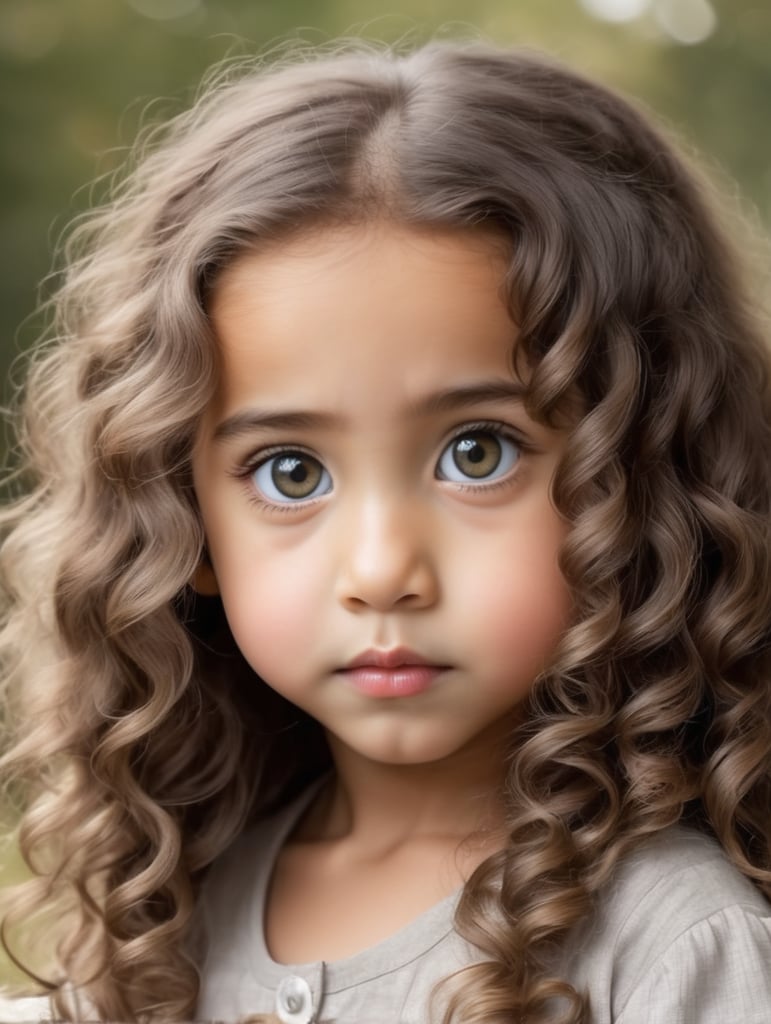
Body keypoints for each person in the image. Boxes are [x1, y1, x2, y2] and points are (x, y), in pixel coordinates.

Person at [0, 38, 769, 1024]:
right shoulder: (170, 913)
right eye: (291, 472)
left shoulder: (680, 947)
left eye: (478, 453)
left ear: (647, 479)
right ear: (182, 522)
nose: (380, 570)